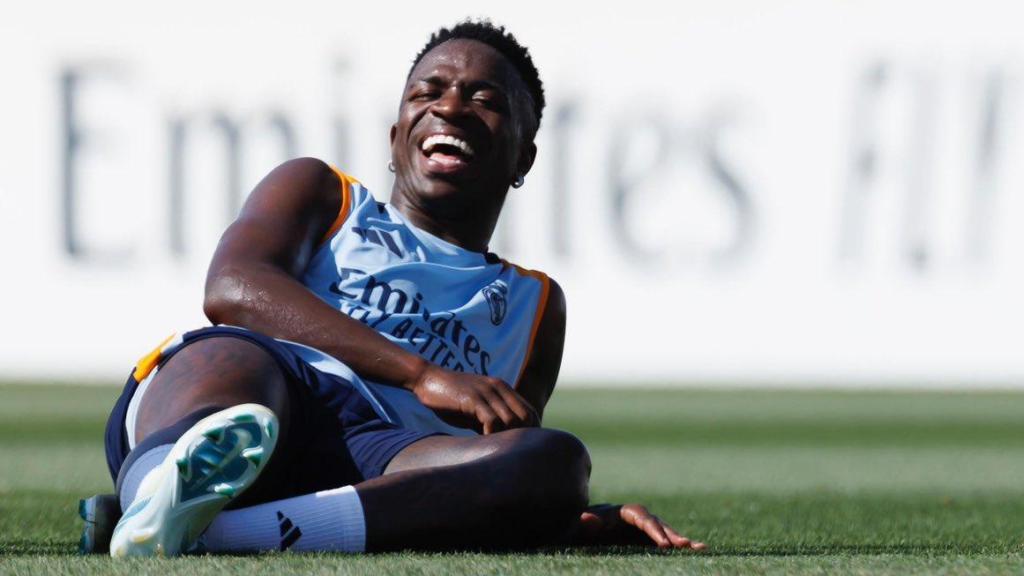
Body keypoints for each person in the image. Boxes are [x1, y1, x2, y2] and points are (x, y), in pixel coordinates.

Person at [94, 19, 706, 557]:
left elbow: (482, 469)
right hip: (261, 391)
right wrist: (422, 375)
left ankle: (188, 528)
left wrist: (568, 514)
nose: (451, 106)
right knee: (233, 359)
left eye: (483, 97)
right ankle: (162, 483)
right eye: (427, 92)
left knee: (554, 460)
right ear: (396, 139)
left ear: (523, 159)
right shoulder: (325, 194)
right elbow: (232, 286)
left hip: (382, 457)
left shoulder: (535, 304)